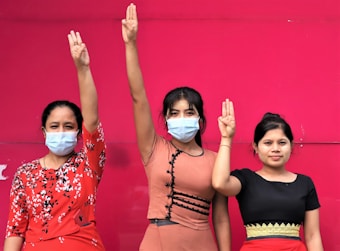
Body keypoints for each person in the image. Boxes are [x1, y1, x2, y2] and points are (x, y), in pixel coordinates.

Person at [122, 3, 231, 251]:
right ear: (166, 119)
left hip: (202, 244)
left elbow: (221, 217)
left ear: (201, 120)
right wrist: (130, 44)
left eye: (189, 112)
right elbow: (138, 96)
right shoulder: (154, 148)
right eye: (175, 113)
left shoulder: (216, 159)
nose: (182, 118)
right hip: (157, 242)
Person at [4, 30, 106, 251]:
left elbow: (93, 118)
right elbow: (15, 229)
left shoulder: (87, 165)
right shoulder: (24, 174)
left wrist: (83, 68)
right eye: (54, 126)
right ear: (44, 132)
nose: (61, 131)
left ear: (79, 133)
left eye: (68, 127)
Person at [212, 99, 324, 251]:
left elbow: (312, 236)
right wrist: (226, 138)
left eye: (282, 143)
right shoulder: (245, 179)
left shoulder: (305, 183)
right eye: (268, 143)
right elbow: (220, 184)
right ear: (255, 147)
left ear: (291, 146)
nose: (275, 149)